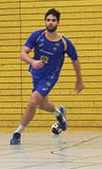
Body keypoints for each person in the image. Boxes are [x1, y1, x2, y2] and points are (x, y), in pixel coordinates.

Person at [10, 8, 85, 145]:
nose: (50, 23)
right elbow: (22, 54)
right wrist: (33, 61)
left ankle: (17, 133)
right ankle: (59, 112)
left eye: (53, 20)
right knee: (43, 105)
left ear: (58, 23)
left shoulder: (64, 43)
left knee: (33, 101)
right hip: (36, 74)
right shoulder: (37, 36)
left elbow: (75, 60)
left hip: (50, 76)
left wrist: (79, 80)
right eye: (48, 20)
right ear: (45, 21)